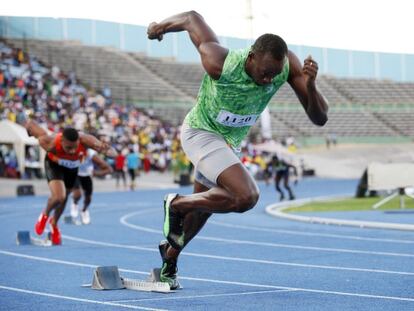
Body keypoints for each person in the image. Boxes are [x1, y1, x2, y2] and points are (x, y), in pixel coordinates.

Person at [147, 10, 328, 289]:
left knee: (205, 209)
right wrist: (161, 26)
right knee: (246, 196)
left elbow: (319, 118)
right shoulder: (220, 62)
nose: (268, 80)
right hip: (201, 132)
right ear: (251, 58)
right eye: (264, 73)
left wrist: (311, 86)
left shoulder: (286, 66)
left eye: (274, 75)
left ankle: (169, 262)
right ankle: (177, 204)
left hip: (228, 143)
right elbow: (192, 19)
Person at [25, 120, 117, 245]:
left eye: (75, 147)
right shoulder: (48, 141)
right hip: (54, 165)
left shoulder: (85, 140)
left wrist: (109, 152)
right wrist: (28, 130)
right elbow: (31, 124)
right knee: (59, 196)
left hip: (72, 168)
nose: (72, 151)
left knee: (64, 199)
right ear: (61, 140)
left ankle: (54, 224)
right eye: (68, 147)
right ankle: (44, 215)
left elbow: (109, 151)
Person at [70, 148, 113, 224]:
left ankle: (84, 210)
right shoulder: (73, 150)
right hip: (75, 173)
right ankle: (75, 203)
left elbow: (109, 169)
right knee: (77, 194)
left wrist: (96, 173)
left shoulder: (92, 155)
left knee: (88, 198)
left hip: (87, 175)